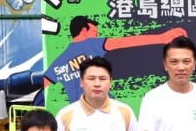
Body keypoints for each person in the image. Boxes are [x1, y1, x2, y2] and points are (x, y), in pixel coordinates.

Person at [42, 17, 186, 106]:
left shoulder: (59, 61)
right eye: (94, 32)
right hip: (103, 108)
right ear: (84, 30)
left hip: (79, 111)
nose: (96, 35)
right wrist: (160, 38)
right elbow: (122, 42)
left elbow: (43, 84)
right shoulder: (91, 44)